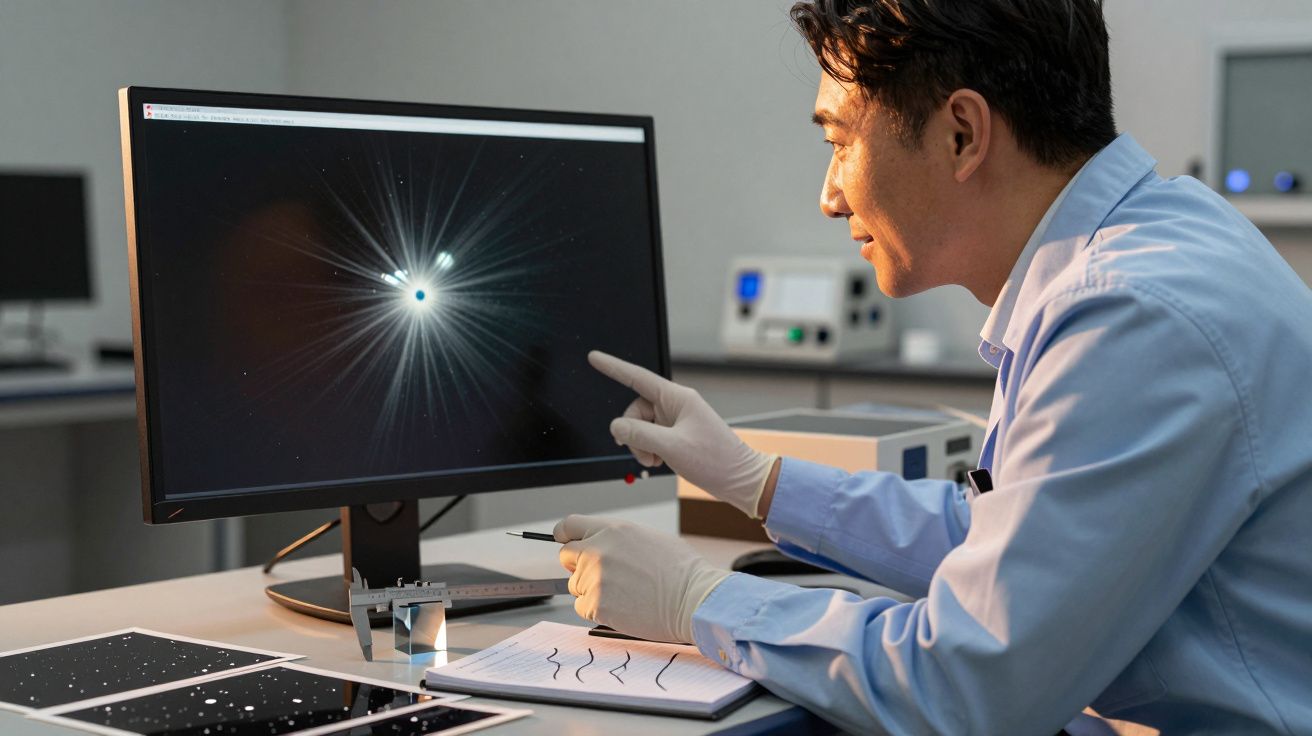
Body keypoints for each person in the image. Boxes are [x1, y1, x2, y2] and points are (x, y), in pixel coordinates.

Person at [554, 0, 1312, 733]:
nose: (828, 196)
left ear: (961, 134)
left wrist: (699, 601)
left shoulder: (1132, 316)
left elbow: (967, 688)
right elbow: (1009, 540)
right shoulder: (1156, 241)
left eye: (839, 141)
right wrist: (759, 482)